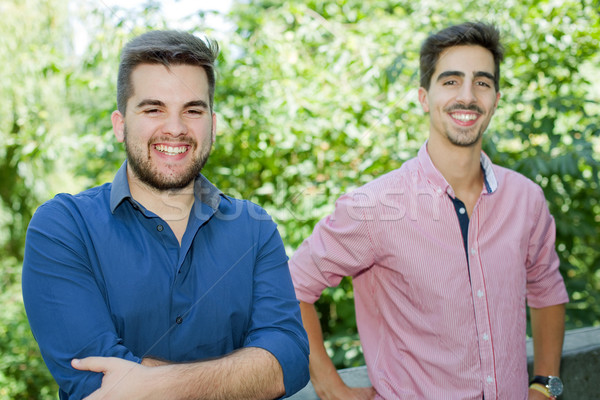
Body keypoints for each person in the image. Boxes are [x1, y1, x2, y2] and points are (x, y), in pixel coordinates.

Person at [22, 30, 309, 400]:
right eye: (153, 108)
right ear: (120, 124)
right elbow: (95, 383)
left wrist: (150, 383)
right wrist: (242, 375)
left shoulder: (254, 229)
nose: (175, 128)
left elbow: (288, 363)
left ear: (213, 125)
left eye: (193, 110)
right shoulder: (63, 228)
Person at [289, 22, 568, 400]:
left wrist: (545, 384)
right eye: (451, 81)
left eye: (482, 82)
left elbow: (546, 286)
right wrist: (329, 386)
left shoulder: (527, 199)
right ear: (424, 96)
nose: (467, 96)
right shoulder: (374, 207)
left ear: (496, 99)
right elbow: (291, 286)